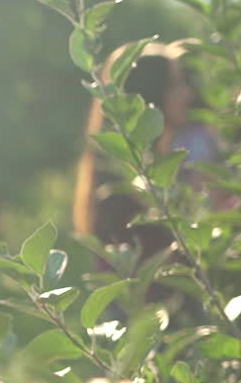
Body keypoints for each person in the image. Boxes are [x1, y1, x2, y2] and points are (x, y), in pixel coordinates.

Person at [72, 40, 224, 258]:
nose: (188, 94)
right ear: (148, 96)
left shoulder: (164, 171)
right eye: (175, 85)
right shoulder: (128, 195)